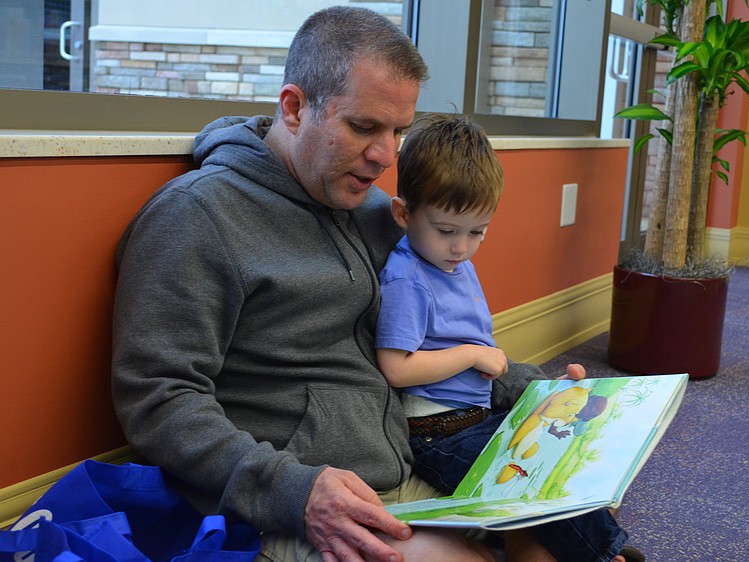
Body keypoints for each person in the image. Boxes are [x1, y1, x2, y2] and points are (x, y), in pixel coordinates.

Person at [111, 6, 641, 562]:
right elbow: (159, 398)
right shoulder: (196, 217)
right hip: (299, 496)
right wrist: (293, 491)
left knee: (576, 500)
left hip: (410, 456)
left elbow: (437, 339)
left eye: (398, 131)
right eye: (364, 127)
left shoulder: (376, 212)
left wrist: (539, 393)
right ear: (294, 108)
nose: (386, 156)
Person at [375, 114, 640, 562]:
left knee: (561, 448)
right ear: (404, 213)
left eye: (477, 232)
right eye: (446, 231)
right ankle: (602, 553)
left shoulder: (451, 263)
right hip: (437, 435)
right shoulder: (408, 280)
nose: (461, 247)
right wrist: (472, 355)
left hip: (474, 416)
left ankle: (594, 546)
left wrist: (541, 393)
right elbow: (396, 368)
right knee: (530, 479)